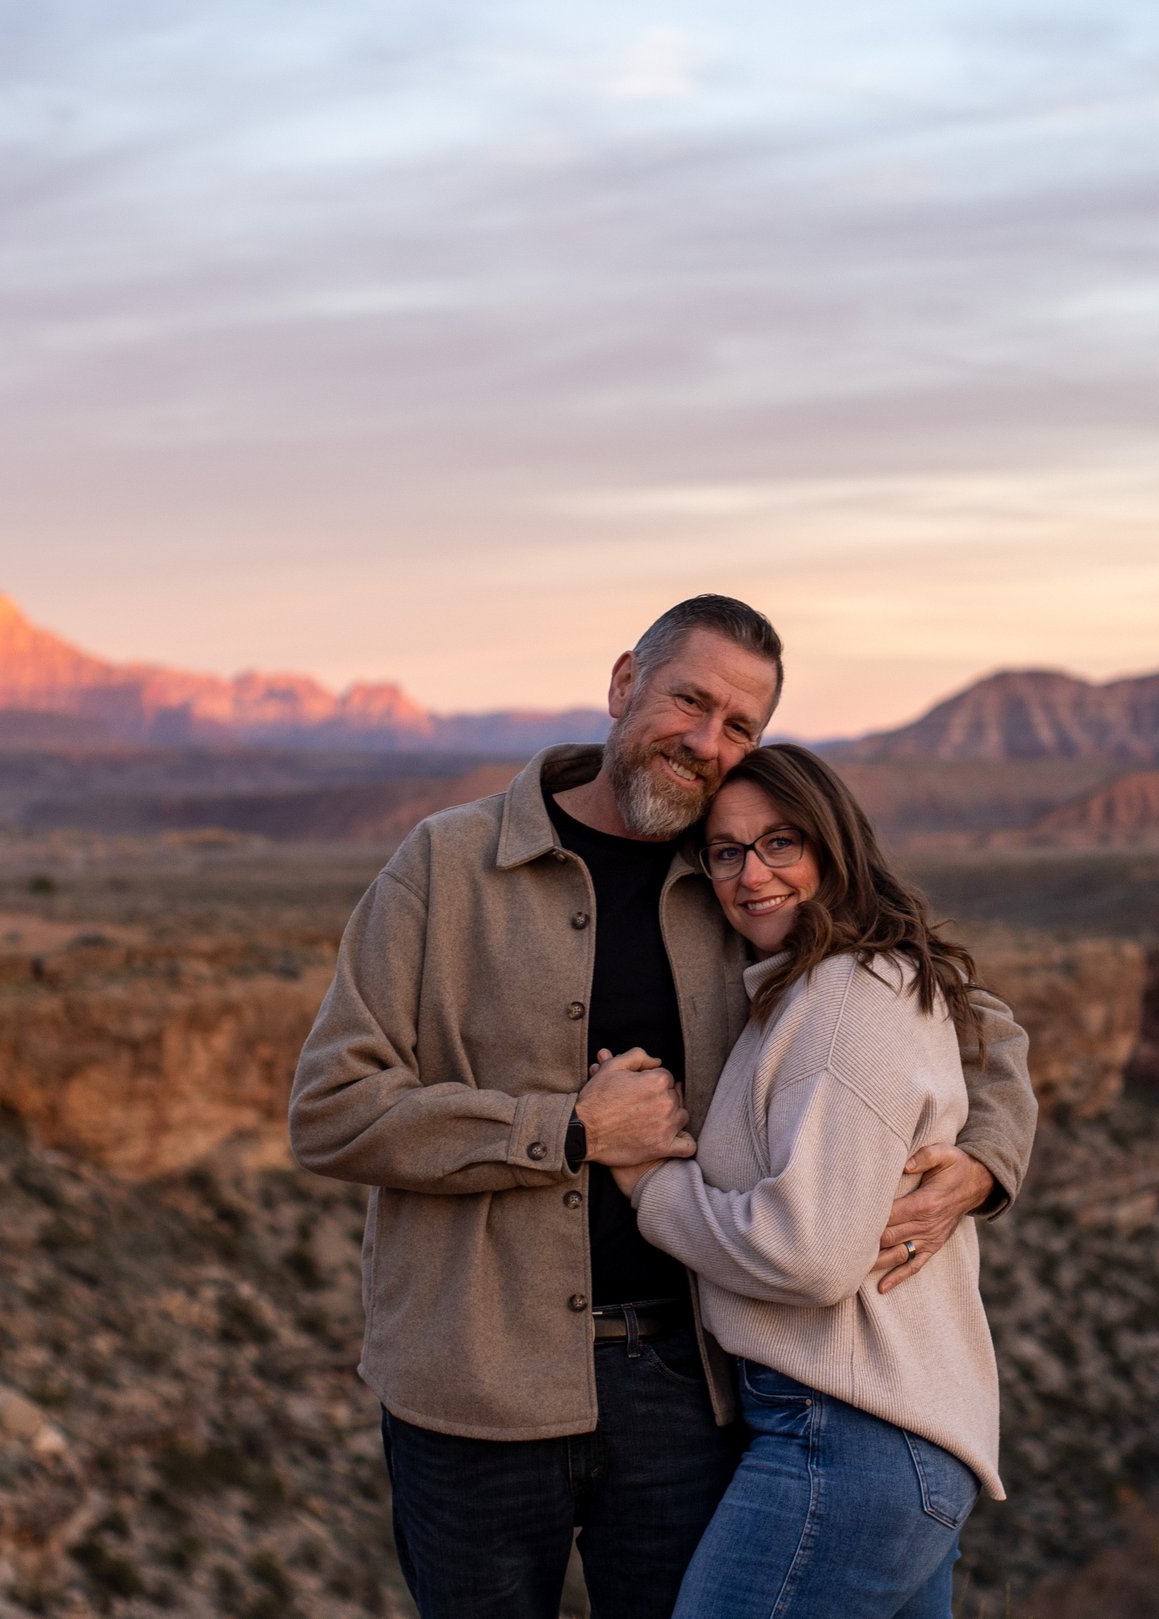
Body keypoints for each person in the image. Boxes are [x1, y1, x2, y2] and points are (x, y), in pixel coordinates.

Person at [288, 596, 1038, 1619]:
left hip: (685, 1388)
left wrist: (988, 1156)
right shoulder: (446, 865)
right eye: (689, 700)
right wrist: (568, 1131)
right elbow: (331, 1104)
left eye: (739, 726)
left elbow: (960, 1009)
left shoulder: (741, 876)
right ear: (622, 682)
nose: (705, 741)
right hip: (472, 1387)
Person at [613, 743, 1005, 1619]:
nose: (752, 874)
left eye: (780, 843)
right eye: (726, 851)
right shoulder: (847, 980)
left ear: (833, 845)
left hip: (844, 1438)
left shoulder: (840, 1000)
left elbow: (812, 1256)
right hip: (895, 1440)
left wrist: (647, 1181)